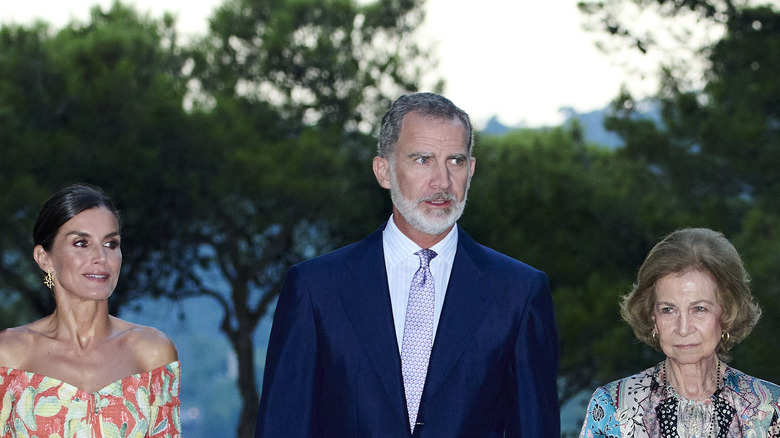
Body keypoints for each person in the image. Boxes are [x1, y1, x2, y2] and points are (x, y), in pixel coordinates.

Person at [254, 92, 560, 437]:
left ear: (471, 170)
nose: (442, 182)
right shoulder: (315, 288)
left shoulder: (519, 292)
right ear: (384, 171)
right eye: (422, 160)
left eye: (456, 161)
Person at [0, 184, 181, 437]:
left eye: (111, 243)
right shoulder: (9, 355)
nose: (101, 257)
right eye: (82, 243)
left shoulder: (152, 352)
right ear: (45, 258)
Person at [580, 227, 780, 437]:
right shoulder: (613, 407)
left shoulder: (769, 409)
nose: (683, 328)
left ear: (727, 313)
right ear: (652, 317)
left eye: (699, 309)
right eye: (668, 310)